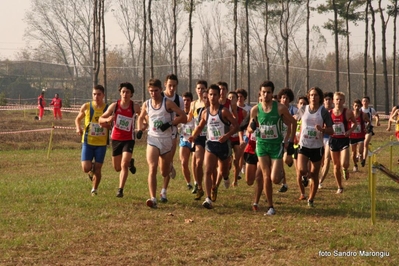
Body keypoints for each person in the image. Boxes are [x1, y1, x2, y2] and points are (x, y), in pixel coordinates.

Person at [247, 80, 297, 216]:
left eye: (269, 92)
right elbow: (249, 128)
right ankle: (270, 207)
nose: (266, 95)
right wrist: (251, 129)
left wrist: (289, 141)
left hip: (276, 146)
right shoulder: (255, 109)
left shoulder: (280, 108)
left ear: (272, 93)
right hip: (262, 145)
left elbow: (293, 122)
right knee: (265, 176)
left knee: (275, 179)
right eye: (264, 92)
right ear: (260, 93)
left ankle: (280, 174)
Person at [137, 78, 187, 208]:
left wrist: (170, 123)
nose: (153, 93)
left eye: (156, 91)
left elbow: (183, 117)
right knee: (152, 167)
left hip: (167, 140)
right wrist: (140, 128)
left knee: (164, 172)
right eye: (151, 91)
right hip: (152, 139)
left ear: (160, 90)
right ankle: (153, 198)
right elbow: (141, 117)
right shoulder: (147, 104)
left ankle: (169, 167)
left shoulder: (168, 103)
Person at [189, 84, 239, 209]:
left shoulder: (224, 111)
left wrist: (227, 136)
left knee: (223, 171)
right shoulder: (205, 112)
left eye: (214, 94)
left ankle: (217, 185)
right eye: (210, 94)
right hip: (210, 144)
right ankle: (208, 198)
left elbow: (236, 125)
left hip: (223, 144)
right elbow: (200, 126)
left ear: (219, 96)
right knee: (208, 170)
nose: (212, 97)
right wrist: (193, 136)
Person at [99, 82, 141, 198]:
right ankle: (130, 162)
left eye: (127, 92)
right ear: (120, 93)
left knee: (124, 164)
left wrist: (141, 127)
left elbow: (143, 116)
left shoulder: (134, 106)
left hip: (129, 139)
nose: (125, 94)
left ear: (131, 94)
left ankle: (120, 189)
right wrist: (108, 118)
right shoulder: (114, 106)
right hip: (116, 139)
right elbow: (100, 119)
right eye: (123, 92)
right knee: (117, 168)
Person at [295, 87, 333, 207]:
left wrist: (323, 129)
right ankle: (305, 177)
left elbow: (331, 130)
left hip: (317, 146)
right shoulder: (303, 109)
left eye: (316, 95)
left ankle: (311, 199)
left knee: (314, 174)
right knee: (301, 170)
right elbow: (294, 120)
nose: (313, 97)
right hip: (304, 144)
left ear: (319, 98)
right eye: (311, 95)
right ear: (308, 96)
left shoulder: (323, 112)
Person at [75, 85, 110, 196]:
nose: (96, 96)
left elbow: (112, 123)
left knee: (98, 169)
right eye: (94, 94)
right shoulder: (86, 106)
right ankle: (90, 170)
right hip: (88, 142)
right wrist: (78, 127)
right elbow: (78, 119)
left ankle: (94, 189)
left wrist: (109, 125)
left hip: (101, 143)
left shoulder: (108, 108)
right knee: (86, 168)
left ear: (103, 95)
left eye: (99, 94)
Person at [329, 92, 357, 194]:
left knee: (344, 163)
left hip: (344, 139)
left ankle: (345, 169)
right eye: (337, 99)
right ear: (333, 101)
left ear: (344, 101)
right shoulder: (329, 113)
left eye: (341, 100)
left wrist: (350, 131)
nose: (338, 101)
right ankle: (339, 186)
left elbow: (355, 123)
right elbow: (326, 125)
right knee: (336, 166)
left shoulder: (348, 112)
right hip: (333, 140)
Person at [161, 74, 184, 180]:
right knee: (160, 165)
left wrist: (172, 123)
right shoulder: (159, 96)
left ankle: (164, 192)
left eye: (174, 86)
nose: (171, 88)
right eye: (169, 85)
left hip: (172, 133)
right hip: (158, 134)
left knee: (168, 161)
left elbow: (183, 117)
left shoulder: (179, 100)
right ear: (165, 84)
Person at [277, 87, 298, 193]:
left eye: (287, 98)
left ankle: (290, 160)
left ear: (290, 100)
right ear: (280, 99)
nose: (285, 100)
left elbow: (293, 124)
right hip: (278, 139)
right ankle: (284, 183)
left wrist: (289, 139)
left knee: (286, 160)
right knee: (280, 162)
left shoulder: (293, 110)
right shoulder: (276, 109)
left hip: (289, 140)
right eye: (283, 98)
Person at [189, 80, 208, 195]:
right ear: (196, 90)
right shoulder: (194, 104)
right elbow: (189, 119)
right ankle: (198, 184)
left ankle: (212, 185)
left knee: (210, 164)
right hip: (198, 136)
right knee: (197, 161)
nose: (200, 91)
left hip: (210, 137)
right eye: (198, 88)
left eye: (202, 88)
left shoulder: (210, 103)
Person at [227, 91, 247, 187]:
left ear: (237, 99)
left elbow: (247, 123)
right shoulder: (225, 111)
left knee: (237, 160)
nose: (231, 99)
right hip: (227, 137)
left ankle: (235, 180)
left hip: (238, 138)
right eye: (229, 97)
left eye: (233, 97)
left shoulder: (242, 111)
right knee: (228, 160)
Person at [292, 96, 309, 201]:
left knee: (305, 169)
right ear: (297, 105)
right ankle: (302, 193)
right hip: (296, 146)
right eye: (300, 103)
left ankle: (306, 176)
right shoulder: (294, 117)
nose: (302, 105)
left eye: (304, 104)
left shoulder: (308, 118)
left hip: (306, 145)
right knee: (298, 171)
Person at [179, 91, 194, 191]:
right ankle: (189, 183)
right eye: (184, 100)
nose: (186, 102)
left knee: (196, 164)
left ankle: (197, 182)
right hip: (184, 139)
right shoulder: (179, 112)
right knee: (184, 163)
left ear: (191, 101)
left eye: (188, 100)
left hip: (195, 140)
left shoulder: (196, 112)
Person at [349, 99, 370, 172]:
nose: (357, 107)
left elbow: (369, 122)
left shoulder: (363, 114)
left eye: (358, 106)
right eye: (355, 106)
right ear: (353, 106)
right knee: (353, 152)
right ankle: (355, 165)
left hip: (361, 135)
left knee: (360, 151)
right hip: (352, 136)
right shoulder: (350, 114)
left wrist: (366, 128)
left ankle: (359, 155)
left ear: (360, 106)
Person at [318, 92, 334, 188]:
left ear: (332, 101)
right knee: (320, 160)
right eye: (326, 99)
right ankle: (316, 176)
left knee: (327, 158)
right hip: (319, 138)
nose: (328, 101)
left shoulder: (334, 111)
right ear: (323, 101)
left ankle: (320, 180)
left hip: (330, 138)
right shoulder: (320, 111)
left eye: (329, 99)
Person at [361, 96, 380, 167]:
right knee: (360, 144)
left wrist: (377, 122)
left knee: (366, 143)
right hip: (361, 128)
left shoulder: (371, 110)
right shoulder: (360, 110)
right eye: (364, 101)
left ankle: (363, 159)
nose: (365, 102)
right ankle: (359, 155)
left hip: (369, 128)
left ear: (368, 102)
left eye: (366, 101)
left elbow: (377, 115)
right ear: (362, 102)